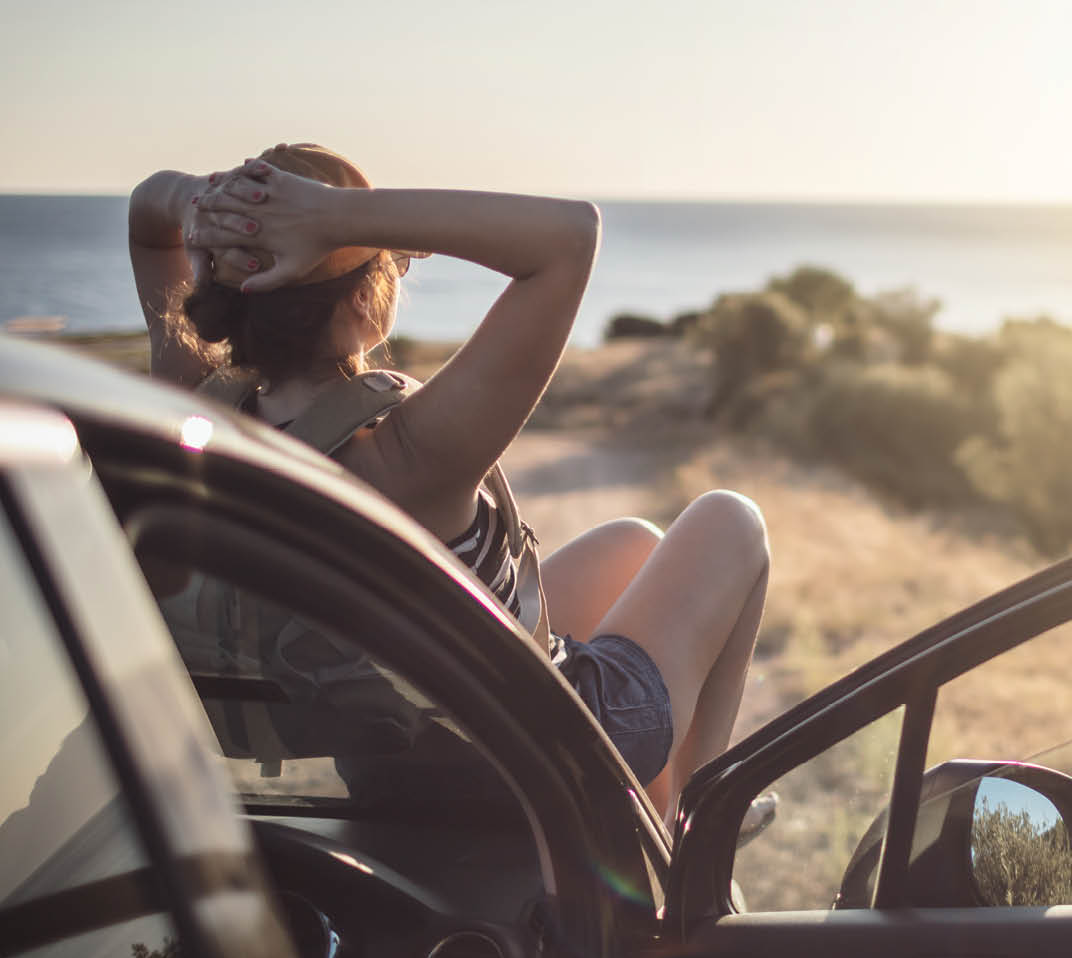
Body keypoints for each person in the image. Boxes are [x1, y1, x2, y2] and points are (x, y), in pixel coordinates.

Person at [128, 143, 768, 827]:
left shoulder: (201, 417)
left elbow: (147, 213)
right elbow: (571, 237)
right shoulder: (404, 453)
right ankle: (699, 834)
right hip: (542, 752)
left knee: (634, 546)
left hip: (395, 752)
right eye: (388, 259)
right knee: (733, 520)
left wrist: (215, 204)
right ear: (355, 305)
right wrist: (341, 215)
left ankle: (658, 821)